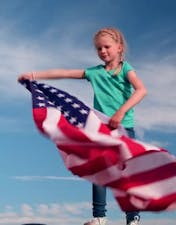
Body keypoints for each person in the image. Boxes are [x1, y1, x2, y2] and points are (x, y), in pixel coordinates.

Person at [18, 27, 147, 225]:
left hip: (123, 129)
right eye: (98, 48)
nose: (103, 51)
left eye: (107, 47)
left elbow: (141, 91)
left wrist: (120, 112)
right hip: (101, 128)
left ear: (119, 48)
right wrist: (35, 75)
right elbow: (65, 72)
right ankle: (99, 217)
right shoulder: (94, 73)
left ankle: (133, 218)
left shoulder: (126, 69)